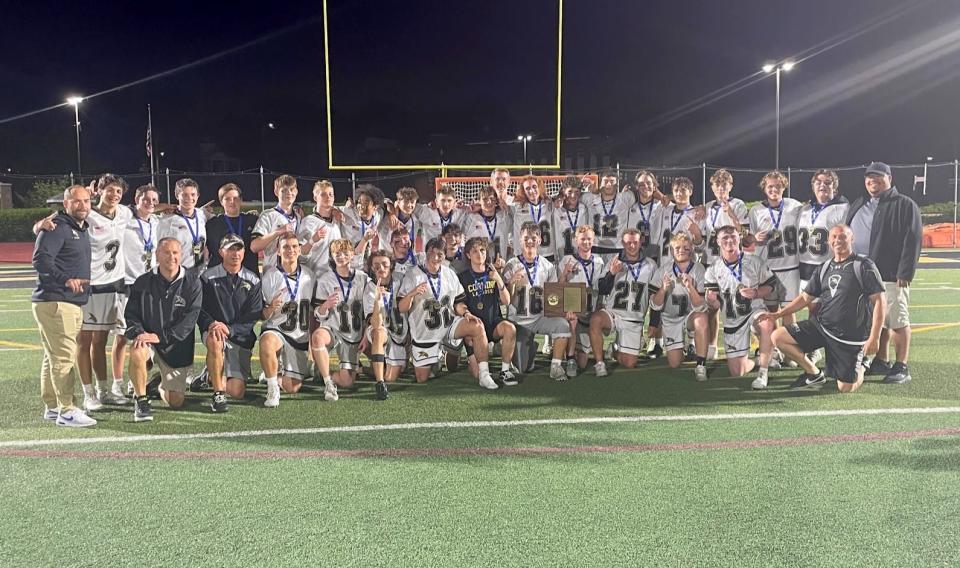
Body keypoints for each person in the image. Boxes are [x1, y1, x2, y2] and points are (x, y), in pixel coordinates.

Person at [34, 174, 135, 410]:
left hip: (115, 284)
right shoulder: (85, 213)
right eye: (109, 190)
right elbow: (51, 223)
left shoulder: (124, 213)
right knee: (84, 341)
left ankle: (103, 389)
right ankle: (88, 394)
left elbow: (144, 209)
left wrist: (169, 207)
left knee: (102, 340)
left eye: (118, 191)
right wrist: (38, 225)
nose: (114, 195)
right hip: (90, 284)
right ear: (97, 192)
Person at [759, 225, 885, 393]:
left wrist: (874, 337)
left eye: (842, 237)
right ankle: (814, 373)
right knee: (778, 336)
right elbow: (805, 298)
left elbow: (880, 301)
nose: (838, 241)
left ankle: (863, 363)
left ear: (851, 239)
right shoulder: (824, 267)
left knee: (845, 387)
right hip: (822, 326)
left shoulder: (863, 265)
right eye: (834, 237)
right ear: (828, 241)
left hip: (848, 337)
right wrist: (778, 314)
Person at [846, 161, 922, 384]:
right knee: (877, 320)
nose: (873, 182)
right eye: (869, 178)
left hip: (889, 273)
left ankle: (902, 366)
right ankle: (881, 360)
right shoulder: (860, 202)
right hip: (861, 273)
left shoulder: (904, 204)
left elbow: (913, 240)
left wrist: (905, 271)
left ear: (890, 179)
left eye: (878, 178)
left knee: (897, 319)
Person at [32, 185, 96, 427]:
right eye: (77, 201)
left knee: (51, 356)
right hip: (58, 300)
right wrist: (65, 279)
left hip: (60, 301)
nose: (83, 205)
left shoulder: (78, 227)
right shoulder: (57, 226)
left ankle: (52, 406)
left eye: (86, 201)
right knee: (63, 357)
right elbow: (40, 259)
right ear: (66, 203)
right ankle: (67, 410)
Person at [398, 237, 498, 388]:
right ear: (426, 253)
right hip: (426, 332)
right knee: (422, 378)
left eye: (440, 254)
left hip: (448, 323)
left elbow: (458, 302)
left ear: (445, 256)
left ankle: (484, 375)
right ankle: (434, 358)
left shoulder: (449, 274)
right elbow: (401, 308)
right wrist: (412, 294)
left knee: (476, 326)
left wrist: (466, 314)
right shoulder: (413, 275)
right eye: (432, 253)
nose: (435, 258)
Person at [125, 237, 203, 421]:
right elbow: (131, 314)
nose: (171, 257)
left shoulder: (192, 282)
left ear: (181, 255)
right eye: (166, 252)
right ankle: (141, 399)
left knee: (175, 401)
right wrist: (140, 333)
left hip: (175, 347)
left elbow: (189, 321)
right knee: (137, 350)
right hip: (149, 341)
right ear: (157, 255)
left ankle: (157, 384)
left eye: (175, 253)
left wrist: (160, 336)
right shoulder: (143, 282)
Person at [703, 226, 778, 387]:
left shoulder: (754, 261)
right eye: (725, 238)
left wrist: (756, 293)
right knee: (737, 371)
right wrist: (711, 300)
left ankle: (763, 374)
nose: (729, 241)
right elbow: (716, 303)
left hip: (753, 310)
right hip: (733, 320)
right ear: (717, 242)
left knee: (767, 324)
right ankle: (759, 360)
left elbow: (771, 285)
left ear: (739, 239)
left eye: (733, 237)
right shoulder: (713, 269)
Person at [198, 234, 264, 412]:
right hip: (215, 331)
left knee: (237, 391)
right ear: (221, 252)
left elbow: (253, 316)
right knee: (215, 339)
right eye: (230, 249)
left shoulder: (253, 280)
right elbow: (199, 309)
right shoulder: (207, 277)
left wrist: (231, 329)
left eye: (239, 249)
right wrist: (211, 324)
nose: (235, 253)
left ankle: (209, 376)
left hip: (239, 337)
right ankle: (218, 394)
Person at [502, 222, 572, 380]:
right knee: (521, 368)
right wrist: (512, 282)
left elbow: (553, 296)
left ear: (540, 240)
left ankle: (556, 366)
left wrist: (563, 309)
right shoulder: (511, 265)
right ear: (520, 240)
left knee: (563, 325)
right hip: (518, 321)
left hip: (540, 318)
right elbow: (504, 301)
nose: (530, 241)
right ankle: (529, 346)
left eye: (533, 238)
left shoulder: (547, 266)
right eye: (526, 238)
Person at [259, 232, 318, 408]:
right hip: (277, 328)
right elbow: (261, 315)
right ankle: (272, 387)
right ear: (278, 251)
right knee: (267, 342)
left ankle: (274, 373)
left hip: (299, 335)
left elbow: (314, 312)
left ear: (300, 250)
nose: (290, 250)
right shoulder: (269, 276)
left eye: (294, 246)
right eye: (285, 246)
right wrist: (271, 308)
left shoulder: (310, 276)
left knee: (292, 387)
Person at [589, 228, 657, 375]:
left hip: (634, 320)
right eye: (628, 243)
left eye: (635, 242)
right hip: (613, 314)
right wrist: (611, 273)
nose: (632, 246)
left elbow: (655, 297)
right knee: (595, 320)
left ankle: (614, 351)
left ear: (640, 243)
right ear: (622, 243)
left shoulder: (650, 265)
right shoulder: (615, 261)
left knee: (629, 363)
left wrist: (653, 322)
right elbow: (602, 289)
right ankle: (599, 363)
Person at [114, 184, 161, 396]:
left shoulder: (157, 222)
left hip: (150, 286)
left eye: (154, 199)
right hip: (128, 284)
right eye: (146, 199)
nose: (150, 203)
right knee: (122, 336)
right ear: (136, 198)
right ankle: (117, 382)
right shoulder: (124, 221)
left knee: (145, 336)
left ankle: (137, 380)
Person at [312, 239, 372, 400]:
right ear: (332, 256)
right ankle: (328, 383)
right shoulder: (325, 279)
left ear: (353, 255)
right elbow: (317, 313)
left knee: (347, 382)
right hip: (334, 329)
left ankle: (322, 371)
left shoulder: (363, 278)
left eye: (345, 253)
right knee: (318, 337)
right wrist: (325, 305)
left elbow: (371, 308)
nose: (341, 256)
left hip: (354, 334)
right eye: (337, 253)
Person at [647, 232, 709, 378]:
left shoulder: (699, 269)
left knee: (701, 318)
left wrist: (690, 288)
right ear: (671, 250)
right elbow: (655, 305)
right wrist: (662, 289)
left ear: (692, 249)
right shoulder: (663, 271)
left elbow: (701, 306)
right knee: (674, 363)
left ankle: (701, 365)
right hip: (670, 319)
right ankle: (685, 348)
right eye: (677, 248)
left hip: (690, 315)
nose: (681, 250)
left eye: (685, 248)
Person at [457, 237, 517, 384]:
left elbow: (507, 301)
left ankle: (505, 371)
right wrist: (466, 323)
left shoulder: (492, 274)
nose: (479, 254)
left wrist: (499, 279)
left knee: (510, 328)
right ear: (468, 255)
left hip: (492, 323)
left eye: (482, 250)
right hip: (475, 329)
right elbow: (458, 305)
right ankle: (477, 361)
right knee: (477, 374)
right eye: (475, 251)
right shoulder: (462, 278)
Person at [558, 225, 605, 376]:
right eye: (582, 239)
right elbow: (558, 288)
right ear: (575, 241)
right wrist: (564, 274)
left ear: (594, 240)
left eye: (589, 239)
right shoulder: (568, 260)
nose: (586, 242)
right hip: (574, 313)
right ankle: (570, 357)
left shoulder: (599, 261)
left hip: (590, 313)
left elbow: (602, 288)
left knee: (583, 362)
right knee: (571, 317)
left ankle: (580, 350)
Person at [362, 250, 409, 391]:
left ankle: (368, 369)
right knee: (378, 332)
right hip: (382, 330)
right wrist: (377, 300)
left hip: (399, 332)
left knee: (391, 377)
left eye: (384, 264)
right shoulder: (370, 289)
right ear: (371, 268)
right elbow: (375, 324)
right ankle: (380, 383)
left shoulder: (401, 280)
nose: (381, 268)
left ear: (391, 265)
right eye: (376, 265)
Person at [581, 170, 637, 263]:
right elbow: (570, 198)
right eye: (605, 181)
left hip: (618, 247)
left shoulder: (625, 198)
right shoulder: (589, 198)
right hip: (596, 247)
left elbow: (641, 192)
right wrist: (581, 185)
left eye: (612, 181)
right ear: (600, 183)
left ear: (617, 185)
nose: (608, 184)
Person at [205, 182, 260, 275]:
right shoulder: (212, 224)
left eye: (235, 198)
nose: (232, 202)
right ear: (221, 202)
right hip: (219, 276)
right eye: (227, 199)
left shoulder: (252, 220)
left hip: (248, 274)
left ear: (241, 200)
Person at [251, 174, 301, 272]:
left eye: (292, 189)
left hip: (294, 273)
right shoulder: (268, 215)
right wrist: (278, 232)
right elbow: (254, 246)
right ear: (276, 192)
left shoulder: (298, 218)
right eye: (284, 190)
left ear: (296, 191)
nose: (289, 193)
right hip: (273, 274)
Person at [157, 178, 207, 272]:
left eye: (193, 194)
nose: (189, 198)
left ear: (198, 196)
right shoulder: (167, 220)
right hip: (179, 272)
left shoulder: (201, 214)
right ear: (177, 196)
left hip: (199, 271)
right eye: (184, 195)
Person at [299, 180, 344, 275]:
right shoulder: (308, 221)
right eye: (323, 194)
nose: (328, 197)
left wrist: (335, 210)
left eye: (331, 194)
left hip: (335, 278)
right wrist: (312, 241)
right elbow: (299, 253)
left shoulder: (337, 221)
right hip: (315, 277)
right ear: (315, 197)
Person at [510, 175, 556, 261]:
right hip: (526, 255)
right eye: (527, 188)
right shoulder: (517, 207)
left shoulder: (549, 203)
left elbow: (563, 196)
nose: (531, 191)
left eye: (534, 187)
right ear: (523, 191)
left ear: (540, 187)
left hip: (547, 254)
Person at [463, 185, 511, 266]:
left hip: (501, 266)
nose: (489, 202)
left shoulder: (504, 217)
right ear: (479, 201)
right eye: (485, 199)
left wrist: (506, 208)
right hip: (479, 267)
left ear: (496, 201)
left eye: (492, 199)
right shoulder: (471, 218)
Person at [552, 176, 590, 260]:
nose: (573, 195)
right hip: (562, 257)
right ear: (563, 191)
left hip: (581, 257)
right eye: (569, 192)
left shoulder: (584, 208)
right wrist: (557, 197)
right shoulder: (556, 209)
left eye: (576, 192)